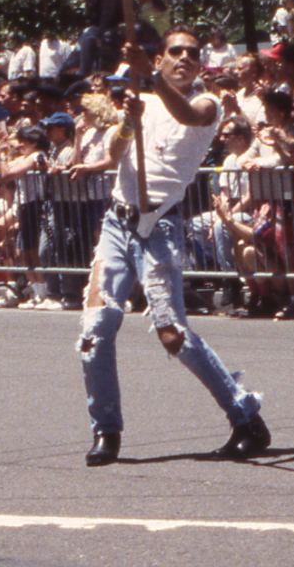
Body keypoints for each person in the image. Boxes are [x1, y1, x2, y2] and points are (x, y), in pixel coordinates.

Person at [78, 26, 268, 466]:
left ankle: (246, 417)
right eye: (174, 52)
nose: (184, 57)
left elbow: (188, 116)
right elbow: (115, 153)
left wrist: (151, 78)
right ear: (161, 57)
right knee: (94, 332)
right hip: (117, 224)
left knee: (172, 334)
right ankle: (106, 430)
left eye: (192, 53)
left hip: (160, 227)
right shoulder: (141, 101)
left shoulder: (208, 103)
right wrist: (128, 116)